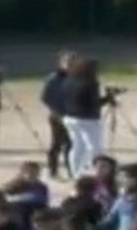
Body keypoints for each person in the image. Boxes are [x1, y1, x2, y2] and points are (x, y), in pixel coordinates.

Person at [61, 57, 107, 177]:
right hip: (87, 119)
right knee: (95, 146)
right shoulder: (90, 84)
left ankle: (76, 172)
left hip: (70, 117)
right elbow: (94, 103)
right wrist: (107, 99)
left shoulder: (69, 81)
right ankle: (97, 171)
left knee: (77, 146)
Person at [41, 51, 75, 179]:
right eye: (68, 63)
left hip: (73, 115)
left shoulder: (77, 78)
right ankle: (53, 170)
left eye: (72, 63)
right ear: (61, 64)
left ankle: (72, 169)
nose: (70, 66)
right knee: (56, 144)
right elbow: (45, 97)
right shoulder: (53, 79)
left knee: (71, 144)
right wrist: (56, 111)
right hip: (57, 115)